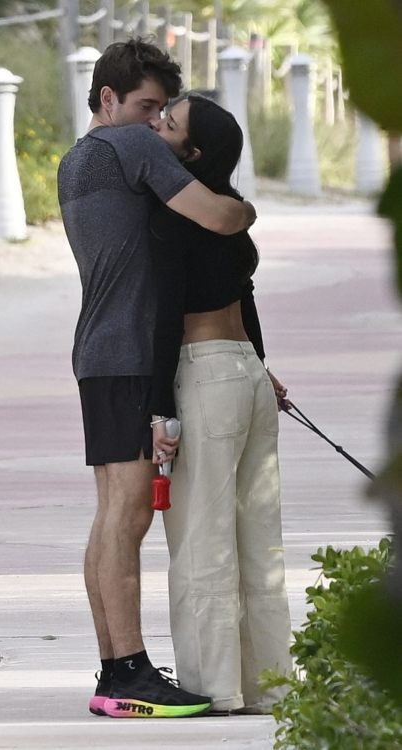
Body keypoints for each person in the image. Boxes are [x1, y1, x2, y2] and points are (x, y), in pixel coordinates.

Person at [57, 40, 257, 719]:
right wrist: (246, 211)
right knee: (130, 512)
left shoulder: (77, 159)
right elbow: (219, 216)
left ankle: (117, 667)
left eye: (160, 111)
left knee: (114, 512)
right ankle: (127, 673)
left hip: (99, 353)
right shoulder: (133, 148)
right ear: (106, 99)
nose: (152, 121)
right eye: (144, 106)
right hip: (130, 352)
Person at [148, 95, 293, 715]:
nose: (156, 124)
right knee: (260, 542)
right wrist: (263, 368)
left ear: (193, 153)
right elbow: (247, 299)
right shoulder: (232, 217)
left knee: (200, 539)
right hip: (248, 376)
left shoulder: (173, 217)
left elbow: (162, 320)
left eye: (169, 123)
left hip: (205, 376)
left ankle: (214, 689)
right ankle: (269, 686)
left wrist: (159, 411)